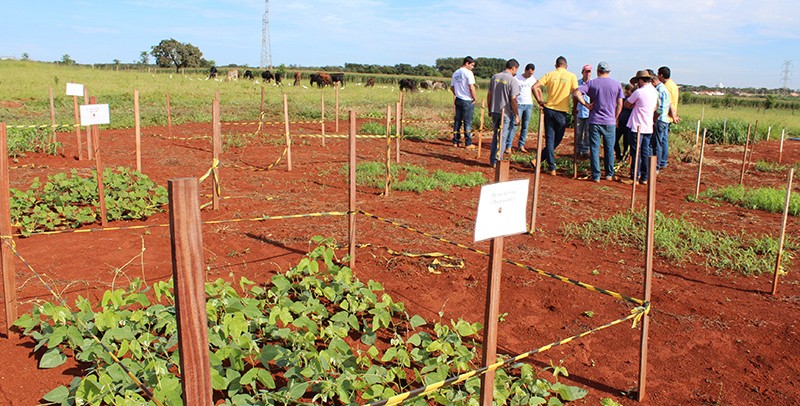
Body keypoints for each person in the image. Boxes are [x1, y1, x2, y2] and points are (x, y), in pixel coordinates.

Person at [573, 61, 623, 182]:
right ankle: (609, 174)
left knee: (594, 148)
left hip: (595, 120)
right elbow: (620, 104)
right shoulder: (617, 84)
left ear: (597, 71)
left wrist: (586, 105)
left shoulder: (591, 83)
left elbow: (577, 93)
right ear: (608, 72)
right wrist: (615, 117)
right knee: (609, 148)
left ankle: (596, 175)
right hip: (609, 121)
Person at [533, 56, 579, 175]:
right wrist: (574, 108)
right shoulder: (571, 76)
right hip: (561, 111)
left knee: (550, 139)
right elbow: (575, 94)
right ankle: (550, 165)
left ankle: (544, 163)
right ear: (566, 66)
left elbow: (534, 87)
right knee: (556, 139)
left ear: (555, 65)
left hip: (549, 109)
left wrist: (540, 101)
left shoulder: (550, 74)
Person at [624, 70, 658, 184]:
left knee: (636, 153)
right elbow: (655, 107)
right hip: (648, 126)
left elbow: (627, 104)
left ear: (640, 80)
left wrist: (634, 105)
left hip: (637, 126)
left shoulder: (639, 92)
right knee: (645, 152)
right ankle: (644, 176)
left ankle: (634, 176)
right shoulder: (654, 91)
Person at [487, 59, 521, 167]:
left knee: (495, 136)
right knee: (503, 136)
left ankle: (492, 160)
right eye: (516, 70)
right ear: (513, 68)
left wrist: (489, 109)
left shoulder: (495, 77)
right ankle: (497, 159)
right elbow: (513, 99)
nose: (516, 72)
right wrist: (516, 115)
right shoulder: (512, 80)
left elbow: (489, 95)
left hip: (494, 110)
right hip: (505, 112)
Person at [450, 56, 478, 149]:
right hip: (467, 100)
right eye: (472, 65)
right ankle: (468, 143)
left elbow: (452, 87)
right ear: (467, 63)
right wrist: (474, 98)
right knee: (467, 122)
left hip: (458, 99)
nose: (472, 67)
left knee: (457, 121)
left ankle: (455, 141)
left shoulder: (455, 73)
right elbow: (471, 87)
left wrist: (457, 94)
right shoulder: (468, 73)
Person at [657, 66, 681, 170]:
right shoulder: (673, 85)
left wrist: (674, 116)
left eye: (658, 74)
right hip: (669, 116)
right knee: (664, 140)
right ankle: (663, 161)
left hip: (665, 116)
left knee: (661, 141)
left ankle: (661, 162)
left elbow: (669, 103)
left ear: (661, 75)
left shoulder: (666, 87)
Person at [511, 63, 536, 153]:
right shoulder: (516, 79)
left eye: (531, 73)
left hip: (528, 104)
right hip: (519, 104)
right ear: (525, 70)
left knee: (525, 126)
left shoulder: (533, 79)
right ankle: (508, 145)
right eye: (529, 73)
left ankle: (521, 145)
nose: (530, 75)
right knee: (514, 125)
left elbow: (536, 90)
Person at [651, 71, 672, 173]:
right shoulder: (665, 89)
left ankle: (656, 166)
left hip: (660, 120)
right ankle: (661, 163)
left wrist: (654, 119)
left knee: (657, 144)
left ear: (653, 81)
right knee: (662, 141)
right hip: (665, 120)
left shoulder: (659, 90)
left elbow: (660, 108)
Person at [573, 64, 592, 157]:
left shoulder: (592, 84)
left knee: (588, 133)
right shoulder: (577, 83)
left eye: (589, 72)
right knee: (578, 132)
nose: (587, 73)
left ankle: (585, 150)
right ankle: (577, 149)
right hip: (579, 111)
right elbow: (574, 96)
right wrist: (574, 108)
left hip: (589, 112)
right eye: (586, 71)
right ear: (582, 72)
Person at [615, 84, 634, 160]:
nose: (626, 92)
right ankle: (619, 155)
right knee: (615, 139)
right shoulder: (623, 99)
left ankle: (624, 157)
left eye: (628, 91)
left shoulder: (633, 100)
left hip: (628, 122)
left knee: (626, 141)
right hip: (621, 121)